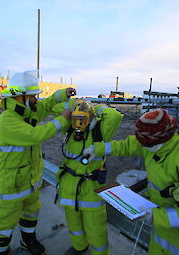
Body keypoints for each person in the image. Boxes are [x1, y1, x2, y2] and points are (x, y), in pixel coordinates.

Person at [83, 108, 179, 255]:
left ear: (163, 139)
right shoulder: (153, 143)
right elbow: (127, 145)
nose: (142, 147)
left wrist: (159, 216)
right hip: (161, 233)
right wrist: (97, 149)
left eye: (145, 145)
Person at [0, 71, 75, 255]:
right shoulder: (8, 120)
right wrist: (63, 119)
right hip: (13, 182)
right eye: (33, 95)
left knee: (31, 211)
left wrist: (62, 94)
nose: (36, 99)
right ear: (20, 97)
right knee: (6, 220)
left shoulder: (27, 111)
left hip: (31, 178)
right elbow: (36, 135)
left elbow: (45, 104)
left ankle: (28, 241)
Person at [52, 99, 123, 255]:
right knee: (73, 223)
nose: (78, 123)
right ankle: (79, 247)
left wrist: (93, 108)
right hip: (68, 185)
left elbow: (115, 116)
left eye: (83, 119)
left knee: (96, 228)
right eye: (75, 118)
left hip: (91, 187)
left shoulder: (99, 131)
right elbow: (55, 108)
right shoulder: (69, 130)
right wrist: (74, 105)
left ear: (90, 118)